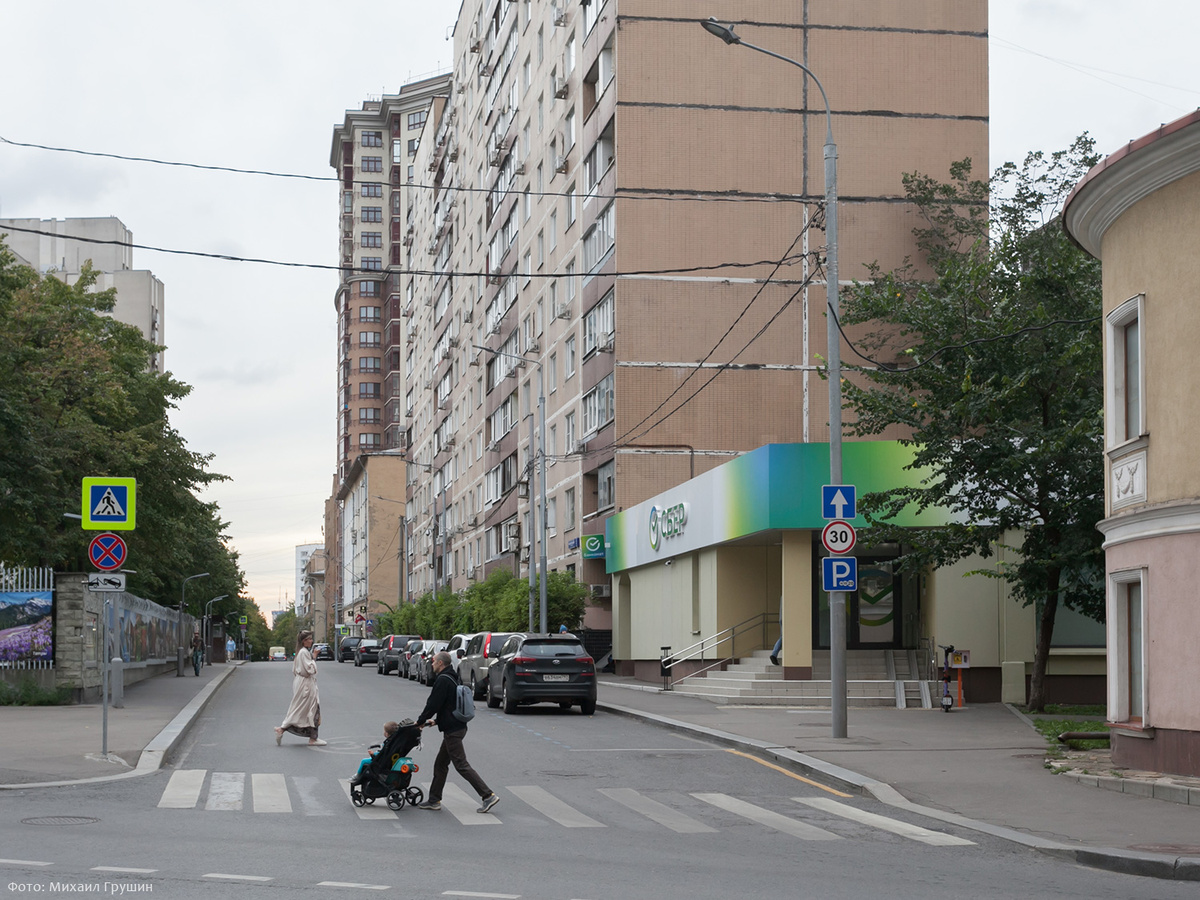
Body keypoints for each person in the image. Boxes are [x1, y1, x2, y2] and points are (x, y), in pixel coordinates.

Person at [414, 650, 499, 814]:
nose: (431, 664)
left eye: (433, 662)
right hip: (455, 726)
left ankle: (487, 795)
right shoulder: (452, 677)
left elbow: (433, 704)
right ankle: (434, 800)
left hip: (453, 730)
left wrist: (420, 721)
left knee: (461, 765)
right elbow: (451, 705)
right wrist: (436, 721)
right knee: (440, 764)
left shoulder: (443, 680)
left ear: (440, 663)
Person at [274, 630, 325, 746]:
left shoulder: (301, 652)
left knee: (302, 710)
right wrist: (314, 657)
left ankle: (282, 729)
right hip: (306, 685)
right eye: (310, 639)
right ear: (304, 641)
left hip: (302, 683)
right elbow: (310, 669)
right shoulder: (303, 653)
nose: (312, 641)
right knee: (312, 710)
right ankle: (312, 739)